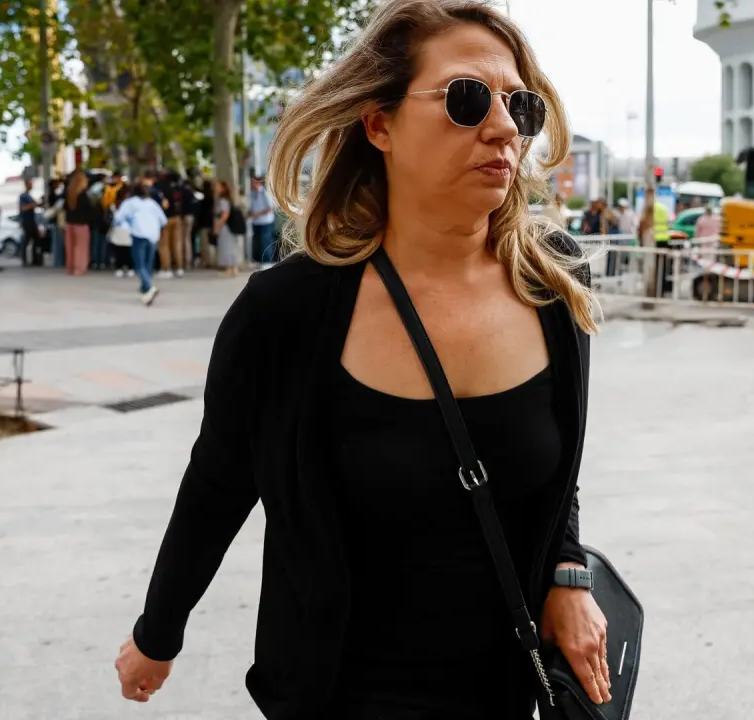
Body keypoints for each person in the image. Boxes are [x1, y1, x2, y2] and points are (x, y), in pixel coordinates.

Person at [114, 1, 609, 717]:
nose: (504, 127)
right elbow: (219, 479)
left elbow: (558, 466)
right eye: (468, 99)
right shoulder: (286, 312)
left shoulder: (553, 280)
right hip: (334, 693)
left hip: (506, 688)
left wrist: (568, 571)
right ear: (379, 124)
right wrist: (158, 631)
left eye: (520, 105)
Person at [113, 181, 168, 306]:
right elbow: (163, 220)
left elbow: (119, 217)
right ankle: (145, 289)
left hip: (138, 234)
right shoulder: (152, 204)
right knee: (148, 264)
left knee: (139, 265)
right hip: (153, 235)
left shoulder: (130, 203)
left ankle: (149, 287)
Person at [62, 169, 96, 275]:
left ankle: (71, 267)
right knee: (81, 247)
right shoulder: (83, 195)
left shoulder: (69, 194)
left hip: (69, 224)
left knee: (70, 246)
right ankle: (79, 268)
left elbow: (64, 208)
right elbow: (89, 210)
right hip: (81, 224)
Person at [157, 170, 188, 278]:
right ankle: (179, 267)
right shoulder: (179, 187)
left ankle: (166, 268)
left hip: (166, 218)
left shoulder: (162, 186)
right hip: (177, 217)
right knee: (177, 243)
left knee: (164, 244)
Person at [211, 180, 241, 277]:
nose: (216, 188)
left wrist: (217, 227)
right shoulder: (226, 200)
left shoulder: (223, 201)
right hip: (228, 227)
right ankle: (233, 268)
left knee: (226, 247)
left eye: (218, 186)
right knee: (230, 246)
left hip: (225, 227)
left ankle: (230, 268)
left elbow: (224, 215)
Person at [247, 174, 277, 264]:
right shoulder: (252, 194)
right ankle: (259, 261)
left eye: (253, 182)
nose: (252, 184)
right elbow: (250, 208)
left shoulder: (265, 193)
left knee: (265, 241)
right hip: (256, 222)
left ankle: (267, 262)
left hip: (265, 222)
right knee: (257, 242)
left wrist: (258, 214)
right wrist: (250, 214)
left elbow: (271, 207)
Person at [19, 178, 43, 267]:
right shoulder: (23, 196)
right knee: (27, 240)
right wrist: (33, 205)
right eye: (30, 184)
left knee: (36, 239)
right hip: (27, 221)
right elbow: (23, 208)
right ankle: (25, 260)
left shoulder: (29, 196)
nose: (32, 185)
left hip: (32, 220)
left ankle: (35, 259)